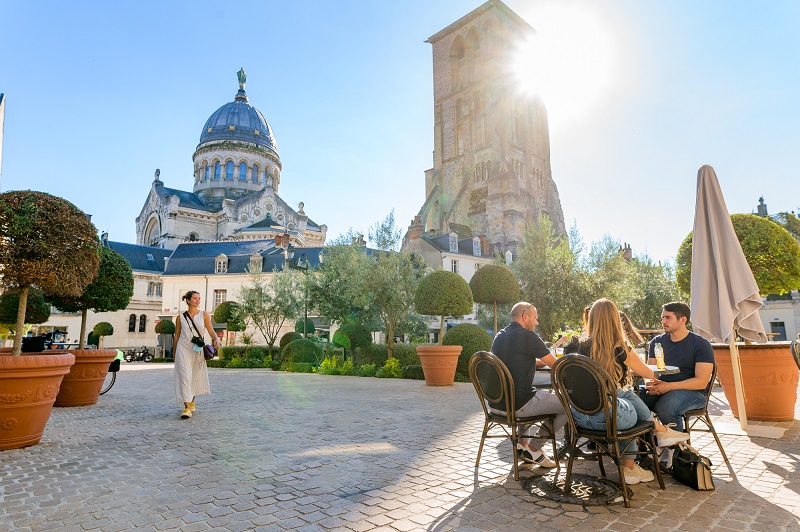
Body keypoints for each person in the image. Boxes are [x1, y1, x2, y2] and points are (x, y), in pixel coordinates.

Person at [566, 299, 691, 484]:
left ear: (591, 318)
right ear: (615, 319)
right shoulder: (619, 347)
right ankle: (640, 455)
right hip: (608, 419)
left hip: (578, 418)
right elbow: (648, 373)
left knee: (620, 394)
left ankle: (642, 455)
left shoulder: (574, 345)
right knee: (626, 397)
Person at [490, 302, 567, 468]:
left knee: (527, 392)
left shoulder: (500, 336)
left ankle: (522, 447)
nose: (537, 322)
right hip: (517, 406)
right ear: (525, 317)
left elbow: (517, 360)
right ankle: (534, 448)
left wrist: (538, 362)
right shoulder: (528, 336)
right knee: (569, 404)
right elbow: (557, 365)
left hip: (495, 405)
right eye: (535, 318)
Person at [639, 302, 715, 432]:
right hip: (663, 387)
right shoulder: (657, 342)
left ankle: (676, 449)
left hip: (694, 392)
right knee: (635, 400)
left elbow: (701, 382)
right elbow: (650, 372)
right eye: (662, 317)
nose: (663, 321)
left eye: (668, 317)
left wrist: (668, 387)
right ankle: (647, 445)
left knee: (666, 406)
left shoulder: (701, 344)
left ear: (683, 320)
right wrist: (651, 384)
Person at [173, 290, 219, 419]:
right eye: (194, 298)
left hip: (197, 350)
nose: (197, 300)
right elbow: (176, 335)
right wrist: (174, 350)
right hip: (183, 349)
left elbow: (211, 330)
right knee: (185, 377)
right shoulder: (180, 317)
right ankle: (187, 408)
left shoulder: (204, 315)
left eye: (199, 298)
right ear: (187, 300)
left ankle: (191, 402)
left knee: (194, 377)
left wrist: (216, 339)